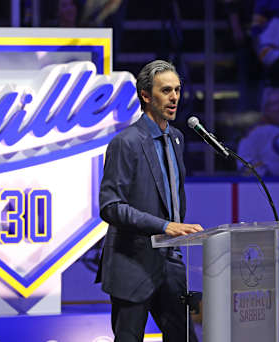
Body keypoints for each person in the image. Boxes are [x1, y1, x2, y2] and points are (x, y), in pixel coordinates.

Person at [96, 60, 202, 341]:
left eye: (177, 90)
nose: (174, 97)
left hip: (171, 265)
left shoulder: (177, 139)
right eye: (166, 90)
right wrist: (164, 226)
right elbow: (110, 206)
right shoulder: (126, 142)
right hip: (133, 265)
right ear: (145, 95)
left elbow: (174, 199)